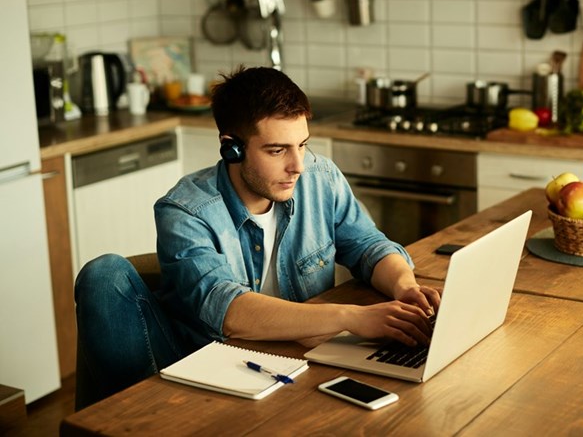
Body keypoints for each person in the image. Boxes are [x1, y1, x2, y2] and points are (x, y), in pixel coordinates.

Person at [74, 66, 440, 409]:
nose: (297, 165)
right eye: (277, 150)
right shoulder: (185, 211)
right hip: (206, 361)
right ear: (231, 147)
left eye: (302, 144)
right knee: (102, 272)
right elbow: (230, 312)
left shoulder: (320, 176)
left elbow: (368, 245)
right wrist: (351, 317)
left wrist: (404, 285)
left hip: (294, 359)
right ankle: (136, 421)